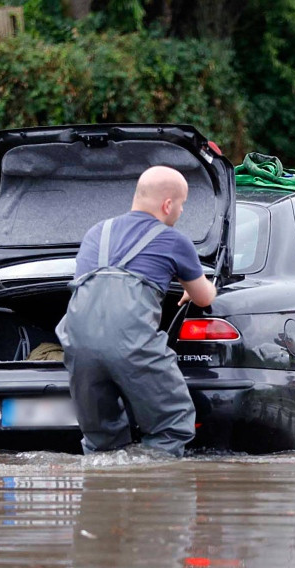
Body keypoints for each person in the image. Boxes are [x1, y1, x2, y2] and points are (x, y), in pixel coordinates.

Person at [56, 166, 216, 456]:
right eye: (182, 205)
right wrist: (196, 287)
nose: (180, 212)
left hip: (79, 346)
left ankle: (103, 493)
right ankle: (150, 493)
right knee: (172, 424)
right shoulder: (174, 240)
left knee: (100, 439)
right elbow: (204, 298)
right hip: (131, 344)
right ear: (168, 205)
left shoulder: (96, 233)